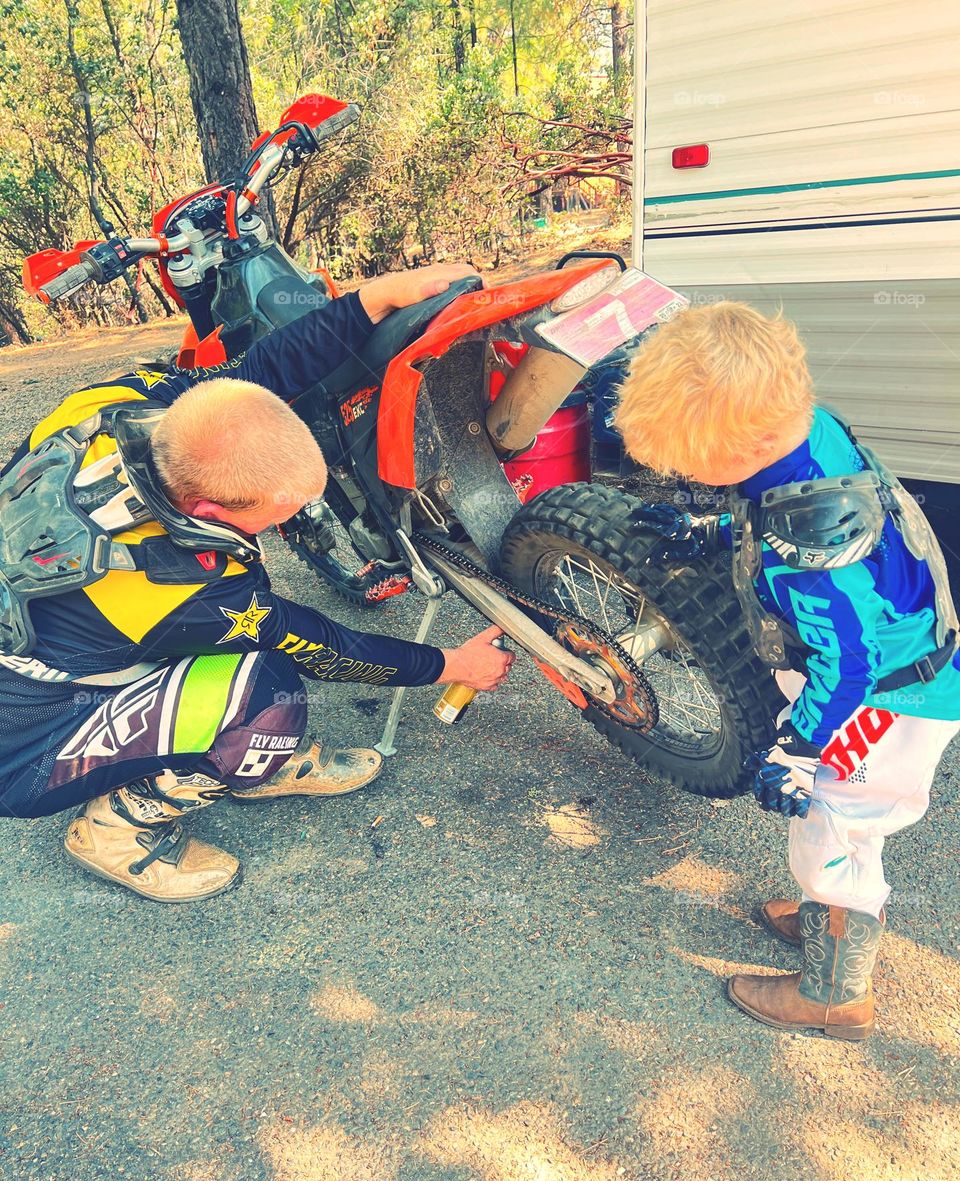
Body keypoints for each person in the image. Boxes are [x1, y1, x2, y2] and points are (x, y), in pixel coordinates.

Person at [0, 264, 513, 903]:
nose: (288, 522)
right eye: (276, 515)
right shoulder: (175, 586)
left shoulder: (121, 409)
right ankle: (118, 828)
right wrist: (449, 663)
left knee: (247, 644)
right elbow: (324, 646)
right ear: (211, 514)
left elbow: (254, 377)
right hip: (28, 742)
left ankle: (217, 745)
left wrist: (373, 300)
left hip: (49, 625)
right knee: (268, 697)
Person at [616, 301, 960, 1040]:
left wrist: (801, 752)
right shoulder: (806, 430)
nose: (680, 472)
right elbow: (769, 507)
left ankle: (836, 991)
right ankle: (828, 912)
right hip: (894, 671)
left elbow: (851, 664)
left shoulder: (816, 552)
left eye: (687, 462)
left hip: (887, 698)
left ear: (742, 442)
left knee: (837, 824)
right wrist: (712, 527)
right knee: (837, 829)